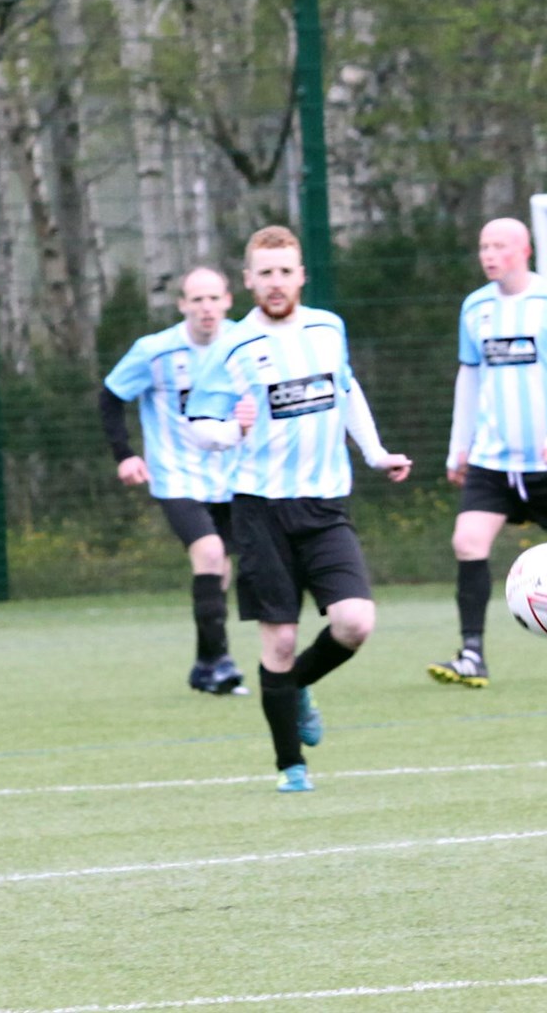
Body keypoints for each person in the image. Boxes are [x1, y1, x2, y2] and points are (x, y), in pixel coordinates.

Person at [184, 226, 412, 792]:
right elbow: (196, 425)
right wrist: (228, 433)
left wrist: (377, 453)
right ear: (249, 281)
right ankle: (292, 767)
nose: (276, 282)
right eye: (265, 273)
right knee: (279, 642)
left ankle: (296, 688)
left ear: (301, 275)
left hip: (324, 504)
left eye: (286, 271)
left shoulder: (328, 329)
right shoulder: (233, 347)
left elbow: (347, 391)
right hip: (260, 513)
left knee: (356, 622)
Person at [428, 218, 547, 687]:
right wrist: (460, 448)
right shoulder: (475, 307)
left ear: (525, 250)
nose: (489, 254)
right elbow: (469, 379)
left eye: (499, 245)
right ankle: (471, 653)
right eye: (483, 246)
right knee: (467, 542)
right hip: (493, 460)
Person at [99, 266, 246, 696]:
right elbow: (110, 397)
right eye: (196, 299)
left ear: (228, 301)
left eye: (214, 298)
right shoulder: (155, 351)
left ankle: (204, 664)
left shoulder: (244, 343)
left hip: (231, 476)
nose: (206, 308)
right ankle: (220, 663)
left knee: (220, 570)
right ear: (182, 304)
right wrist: (125, 455)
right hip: (176, 476)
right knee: (210, 552)